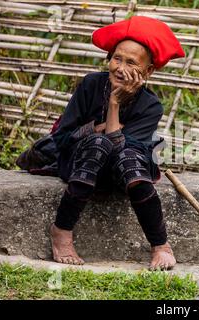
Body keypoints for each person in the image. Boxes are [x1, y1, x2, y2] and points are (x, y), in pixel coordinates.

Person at [49, 16, 185, 269]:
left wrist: (113, 106)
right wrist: (94, 130)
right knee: (98, 144)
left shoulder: (151, 106)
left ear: (149, 71)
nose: (120, 68)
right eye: (117, 58)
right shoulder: (91, 85)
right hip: (81, 166)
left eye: (131, 62)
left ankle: (160, 245)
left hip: (121, 173)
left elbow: (122, 149)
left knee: (127, 155)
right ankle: (62, 231)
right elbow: (61, 138)